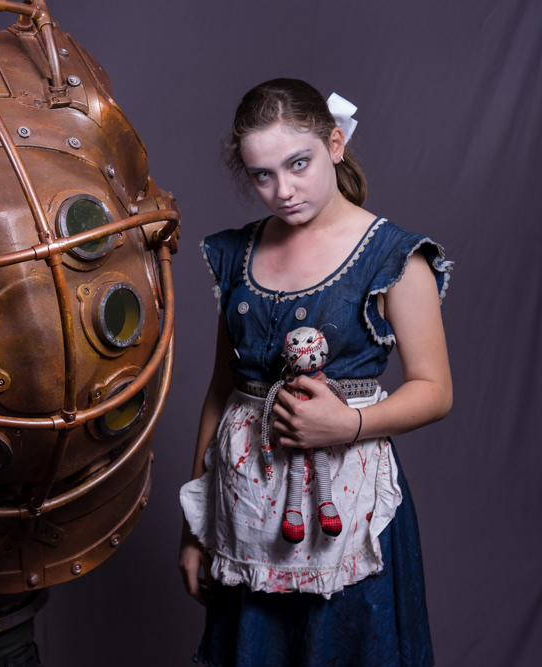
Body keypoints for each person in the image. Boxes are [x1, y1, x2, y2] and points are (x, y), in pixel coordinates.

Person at [177, 78, 452, 666]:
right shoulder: (237, 253)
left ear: (335, 144)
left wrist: (348, 425)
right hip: (245, 512)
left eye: (298, 164)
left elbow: (435, 390)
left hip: (347, 515)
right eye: (263, 175)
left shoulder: (393, 256)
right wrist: (194, 526)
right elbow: (222, 392)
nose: (283, 190)